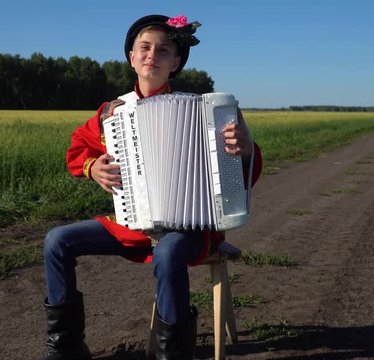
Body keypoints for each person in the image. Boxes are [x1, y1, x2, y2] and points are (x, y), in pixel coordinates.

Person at [41, 14, 263, 360]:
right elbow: (78, 150)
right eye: (144, 48)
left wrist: (246, 148)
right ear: (131, 56)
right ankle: (66, 348)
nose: (152, 55)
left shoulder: (207, 112)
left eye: (163, 50)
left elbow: (243, 173)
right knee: (56, 240)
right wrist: (92, 168)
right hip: (131, 225)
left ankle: (170, 354)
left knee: (168, 250)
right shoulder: (111, 112)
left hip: (190, 228)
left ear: (175, 62)